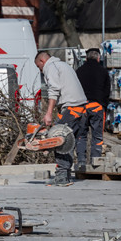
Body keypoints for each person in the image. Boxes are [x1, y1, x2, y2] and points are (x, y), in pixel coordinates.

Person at [35, 51, 89, 186]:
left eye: (39, 67)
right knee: (68, 143)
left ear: (42, 61)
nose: (40, 71)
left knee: (59, 141)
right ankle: (65, 175)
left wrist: (48, 113)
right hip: (81, 109)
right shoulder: (63, 65)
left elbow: (54, 90)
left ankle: (61, 177)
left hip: (72, 108)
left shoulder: (51, 67)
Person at [76, 47, 111, 162]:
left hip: (82, 107)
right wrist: (103, 105)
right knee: (97, 136)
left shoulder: (79, 71)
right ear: (98, 58)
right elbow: (107, 92)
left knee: (81, 135)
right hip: (97, 106)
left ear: (86, 58)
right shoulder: (103, 71)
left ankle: (81, 161)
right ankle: (95, 161)